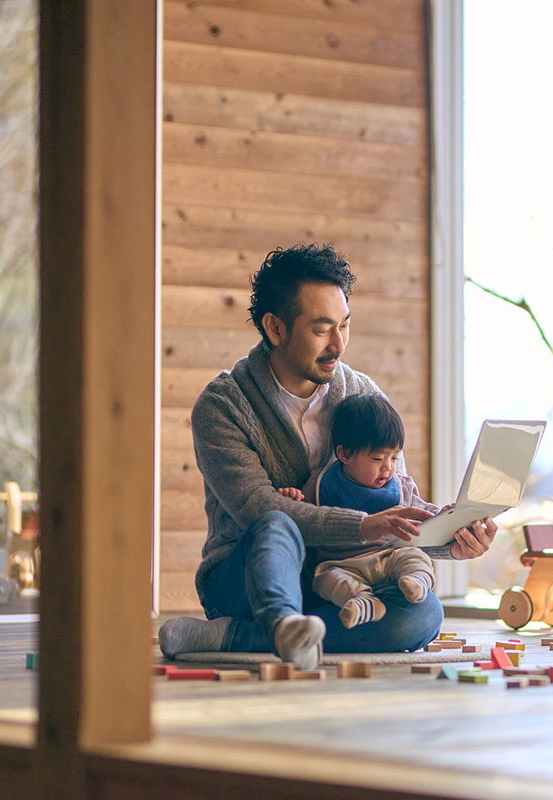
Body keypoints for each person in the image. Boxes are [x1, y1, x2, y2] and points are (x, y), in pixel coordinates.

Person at [158, 243, 497, 669]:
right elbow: (256, 508)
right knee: (275, 522)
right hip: (249, 580)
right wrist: (364, 525)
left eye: (345, 325)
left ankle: (235, 637)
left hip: (344, 578)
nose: (338, 344)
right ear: (275, 328)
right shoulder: (224, 405)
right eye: (322, 329)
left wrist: (450, 540)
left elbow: (391, 504)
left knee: (423, 614)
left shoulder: (363, 395)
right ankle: (277, 622)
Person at [278, 393, 438, 630]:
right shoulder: (321, 483)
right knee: (325, 579)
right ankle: (364, 603)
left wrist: (446, 515)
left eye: (394, 457)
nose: (388, 468)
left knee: (415, 557)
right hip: (341, 565)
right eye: (377, 458)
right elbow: (303, 519)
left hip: (389, 557)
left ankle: (417, 581)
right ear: (344, 455)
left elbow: (424, 513)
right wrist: (291, 498)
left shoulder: (400, 486)